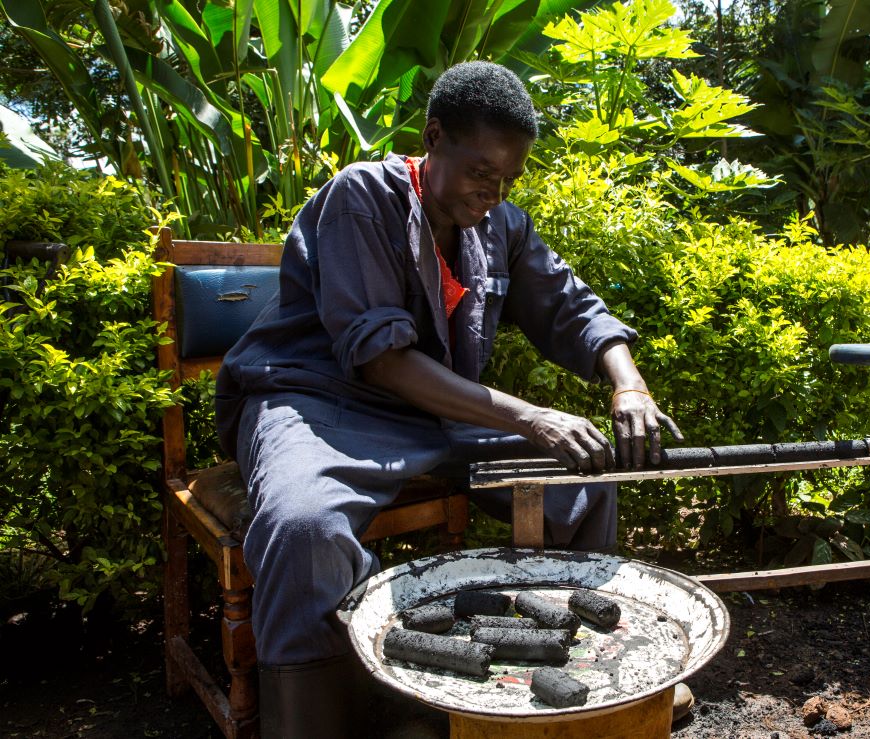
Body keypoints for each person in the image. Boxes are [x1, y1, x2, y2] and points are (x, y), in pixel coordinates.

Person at [215, 61, 683, 737]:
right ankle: (320, 719)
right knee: (304, 529)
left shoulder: (503, 227)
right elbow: (380, 359)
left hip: (432, 416)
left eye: (509, 179)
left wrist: (628, 382)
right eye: (480, 171)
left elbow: (573, 308)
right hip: (318, 409)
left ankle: (564, 680)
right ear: (433, 138)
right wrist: (530, 413)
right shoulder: (359, 198)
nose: (493, 192)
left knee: (582, 480)